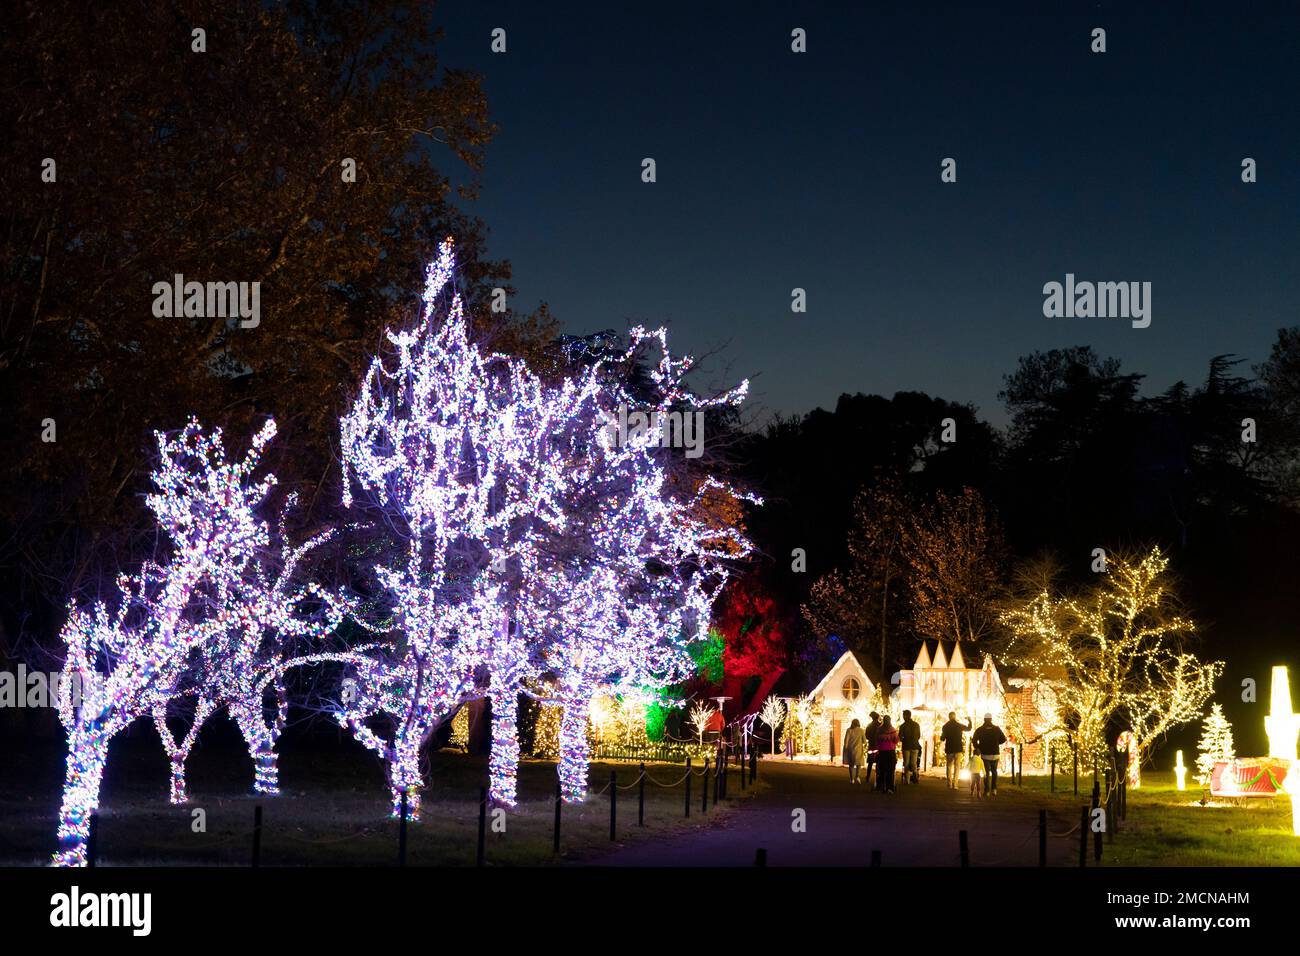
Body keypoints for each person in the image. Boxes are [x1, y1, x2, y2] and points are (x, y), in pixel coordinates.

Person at [972, 713, 1007, 796]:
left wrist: (978, 747)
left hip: (985, 754)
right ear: (991, 719)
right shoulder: (997, 729)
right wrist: (997, 743)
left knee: (986, 772)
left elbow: (974, 740)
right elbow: (1003, 739)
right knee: (994, 772)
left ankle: (987, 791)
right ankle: (994, 789)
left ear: (984, 719)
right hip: (995, 753)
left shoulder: (980, 730)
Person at [940, 712, 973, 789]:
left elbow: (942, 738)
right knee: (957, 767)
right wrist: (970, 721)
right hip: (958, 748)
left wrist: (942, 737)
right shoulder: (959, 725)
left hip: (949, 749)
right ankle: (955, 784)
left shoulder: (945, 726)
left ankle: (949, 784)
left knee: (949, 766)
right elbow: (969, 728)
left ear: (949, 717)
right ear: (954, 717)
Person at [875, 716, 899, 793]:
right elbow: (896, 741)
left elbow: (877, 740)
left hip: (882, 752)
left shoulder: (879, 730)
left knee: (881, 770)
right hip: (891, 751)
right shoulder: (893, 730)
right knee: (890, 771)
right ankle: (890, 787)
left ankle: (881, 786)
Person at [899, 709, 922, 784]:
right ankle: (915, 776)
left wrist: (904, 739)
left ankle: (907, 780)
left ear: (906, 716)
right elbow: (919, 736)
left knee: (906, 763)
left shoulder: (902, 726)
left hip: (906, 746)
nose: (903, 717)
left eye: (904, 715)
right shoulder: (916, 724)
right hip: (915, 745)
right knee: (913, 763)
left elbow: (900, 737)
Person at [842, 718, 866, 784]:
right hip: (858, 749)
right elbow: (864, 741)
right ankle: (857, 776)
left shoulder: (849, 730)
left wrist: (846, 748)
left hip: (850, 749)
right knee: (858, 764)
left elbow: (846, 740)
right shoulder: (861, 730)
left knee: (851, 764)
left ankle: (852, 779)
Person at [863, 712, 881, 788]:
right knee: (878, 762)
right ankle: (878, 777)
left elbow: (866, 736)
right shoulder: (881, 725)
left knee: (870, 762)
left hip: (871, 745)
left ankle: (868, 776)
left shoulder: (869, 726)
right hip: (879, 746)